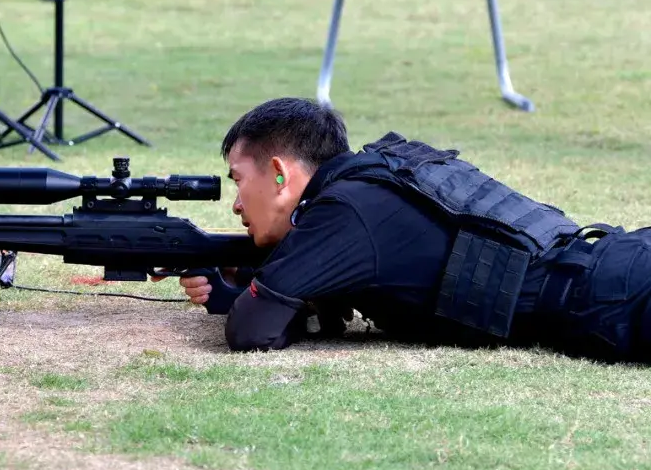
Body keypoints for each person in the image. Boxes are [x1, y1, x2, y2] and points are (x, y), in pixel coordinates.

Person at [167, 97, 651, 364]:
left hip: (614, 298)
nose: (235, 203)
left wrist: (246, 295)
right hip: (617, 265)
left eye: (238, 179)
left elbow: (253, 332)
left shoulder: (343, 212)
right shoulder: (373, 180)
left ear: (278, 172)